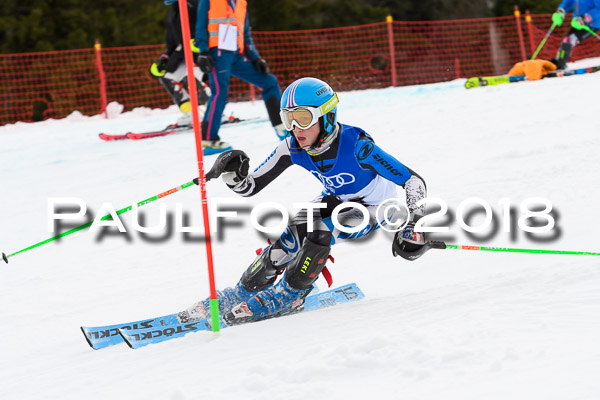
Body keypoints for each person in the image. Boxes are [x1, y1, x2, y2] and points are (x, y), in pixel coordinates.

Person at [177, 77, 430, 324]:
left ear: (327, 117)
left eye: (304, 118)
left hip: (376, 207)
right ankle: (240, 293)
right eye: (289, 118)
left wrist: (415, 223)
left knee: (320, 231)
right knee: (291, 233)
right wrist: (233, 174)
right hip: (337, 198)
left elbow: (413, 181)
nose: (296, 128)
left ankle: (290, 295)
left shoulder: (357, 146)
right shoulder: (292, 148)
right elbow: (250, 187)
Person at [194, 0, 287, 155]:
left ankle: (281, 127)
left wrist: (255, 58)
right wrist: (203, 51)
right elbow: (201, 25)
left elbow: (245, 34)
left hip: (235, 53)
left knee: (269, 81)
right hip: (217, 53)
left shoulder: (241, 3)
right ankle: (209, 139)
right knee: (220, 93)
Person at [150, 0, 210, 127]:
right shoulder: (173, 13)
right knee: (168, 77)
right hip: (181, 55)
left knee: (191, 77)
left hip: (200, 54)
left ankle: (214, 110)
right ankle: (190, 114)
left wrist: (200, 43)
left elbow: (209, 23)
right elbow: (171, 42)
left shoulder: (195, 4)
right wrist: (164, 59)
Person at [551, 0, 600, 69]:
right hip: (577, 22)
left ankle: (560, 64)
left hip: (591, 24)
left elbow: (599, 9)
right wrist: (561, 12)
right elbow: (567, 3)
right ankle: (560, 62)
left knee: (570, 39)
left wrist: (585, 19)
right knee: (566, 40)